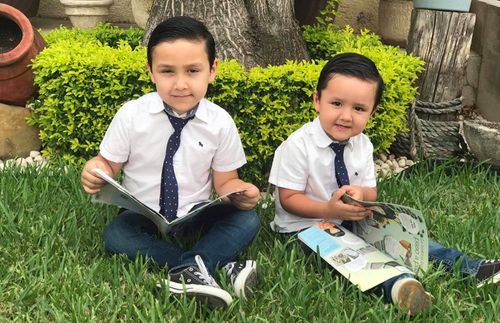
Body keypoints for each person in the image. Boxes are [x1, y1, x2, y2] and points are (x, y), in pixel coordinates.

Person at [268, 52, 500, 316]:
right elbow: (288, 199)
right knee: (349, 256)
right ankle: (398, 287)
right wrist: (329, 211)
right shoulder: (297, 146)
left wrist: (360, 194)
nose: (346, 116)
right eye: (336, 103)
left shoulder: (362, 144)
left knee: (405, 240)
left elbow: (370, 191)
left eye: (358, 108)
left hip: (349, 217)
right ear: (317, 100)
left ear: (372, 111)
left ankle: (474, 267)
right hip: (304, 228)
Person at [81, 16, 261, 309]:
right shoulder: (131, 115)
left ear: (212, 71)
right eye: (167, 71)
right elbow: (107, 164)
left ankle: (188, 271)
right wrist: (95, 170)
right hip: (143, 214)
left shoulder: (220, 123)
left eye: (193, 71)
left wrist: (241, 191)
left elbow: (225, 181)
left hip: (194, 213)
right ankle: (217, 268)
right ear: (151, 71)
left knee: (248, 219)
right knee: (116, 235)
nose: (180, 84)